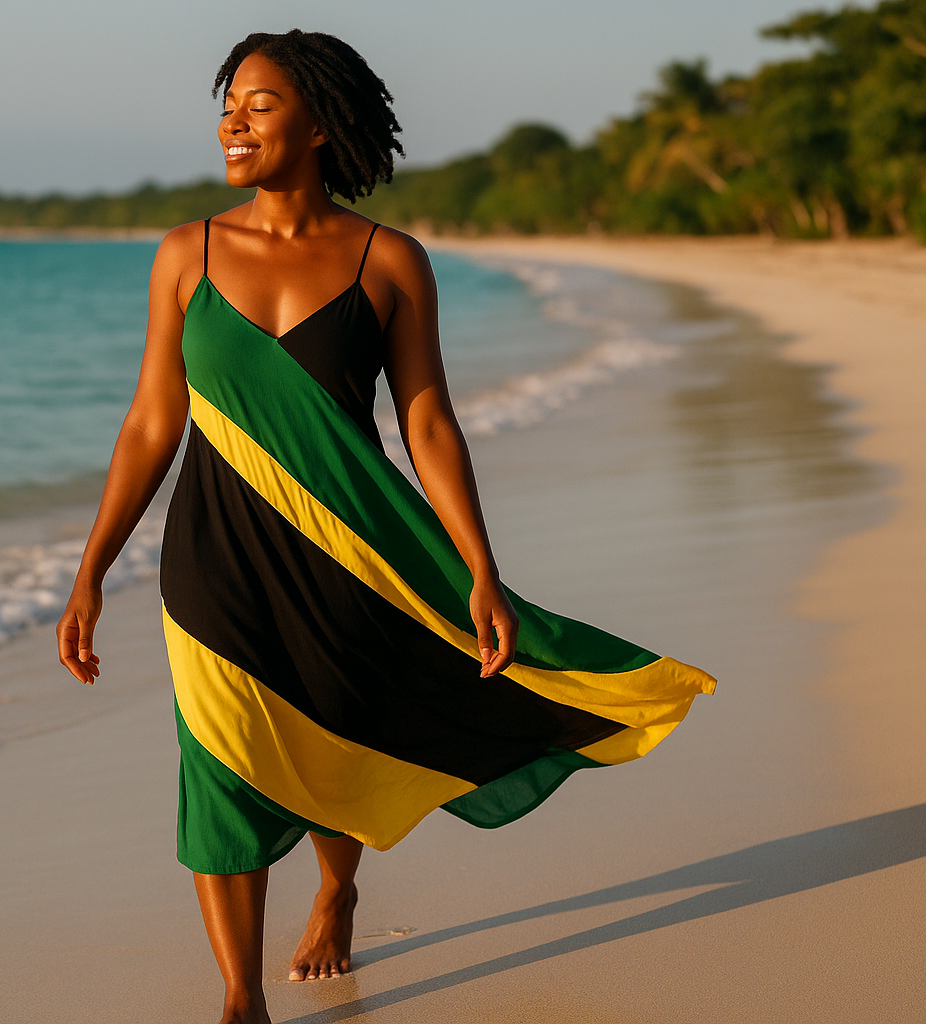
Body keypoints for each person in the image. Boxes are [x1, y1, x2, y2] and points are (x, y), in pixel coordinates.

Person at [57, 29, 715, 1024]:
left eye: (261, 103)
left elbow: (427, 419)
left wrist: (481, 570)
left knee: (340, 720)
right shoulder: (184, 254)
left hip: (353, 550)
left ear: (319, 124)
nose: (234, 119)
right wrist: (92, 567)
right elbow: (153, 418)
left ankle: (337, 887)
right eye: (227, 102)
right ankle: (239, 999)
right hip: (215, 555)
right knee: (221, 751)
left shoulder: (388, 262)